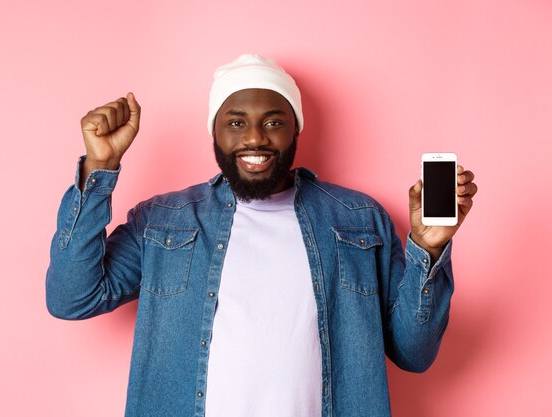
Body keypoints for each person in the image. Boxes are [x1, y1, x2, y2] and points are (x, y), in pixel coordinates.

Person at [46, 54, 477, 417]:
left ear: (296, 129)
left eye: (273, 122)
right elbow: (72, 297)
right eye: (236, 122)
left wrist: (429, 247)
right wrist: (98, 170)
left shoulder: (359, 219)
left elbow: (415, 354)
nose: (255, 137)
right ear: (213, 130)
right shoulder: (163, 220)